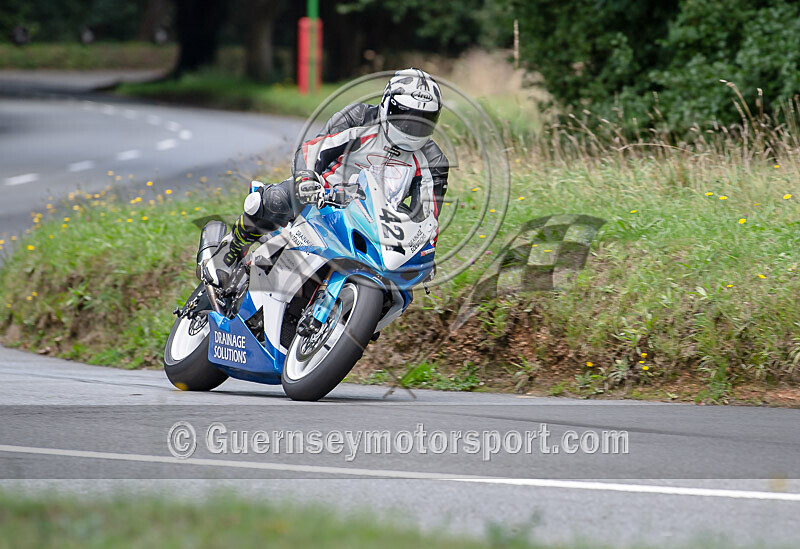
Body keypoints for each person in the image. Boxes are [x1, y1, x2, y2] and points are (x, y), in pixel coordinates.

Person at [203, 68, 449, 288]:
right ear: (386, 105)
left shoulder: (433, 160)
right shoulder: (360, 118)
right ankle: (230, 251)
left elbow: (427, 217)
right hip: (323, 198)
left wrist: (425, 252)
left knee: (400, 281)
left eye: (422, 121)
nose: (410, 129)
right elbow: (312, 149)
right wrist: (305, 180)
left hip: (374, 225)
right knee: (278, 199)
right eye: (405, 117)